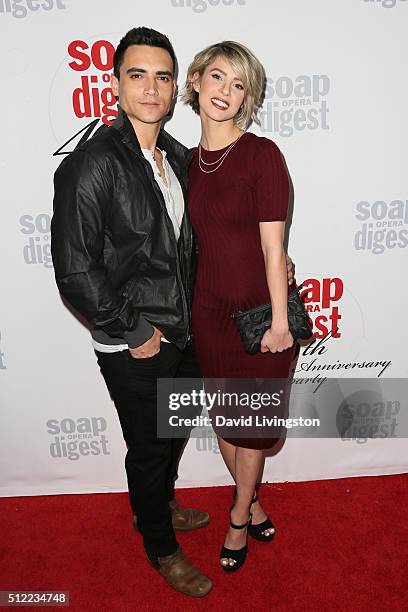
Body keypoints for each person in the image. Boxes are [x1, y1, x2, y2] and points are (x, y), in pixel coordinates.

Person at [51, 27, 213, 598]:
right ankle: (160, 546)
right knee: (147, 448)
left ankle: (161, 505)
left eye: (163, 76)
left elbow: (195, 242)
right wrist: (134, 330)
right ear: (116, 82)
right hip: (135, 340)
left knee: (171, 434)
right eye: (138, 74)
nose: (151, 88)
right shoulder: (90, 164)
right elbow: (75, 269)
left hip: (185, 331)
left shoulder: (175, 156)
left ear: (174, 89)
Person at [182, 41, 297, 572]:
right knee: (227, 421)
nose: (225, 92)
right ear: (197, 81)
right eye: (218, 77)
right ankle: (252, 499)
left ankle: (236, 516)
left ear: (248, 98)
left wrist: (278, 322)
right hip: (207, 315)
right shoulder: (183, 163)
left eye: (239, 85)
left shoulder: (261, 154)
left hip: (257, 318)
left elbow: (275, 248)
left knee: (251, 425)